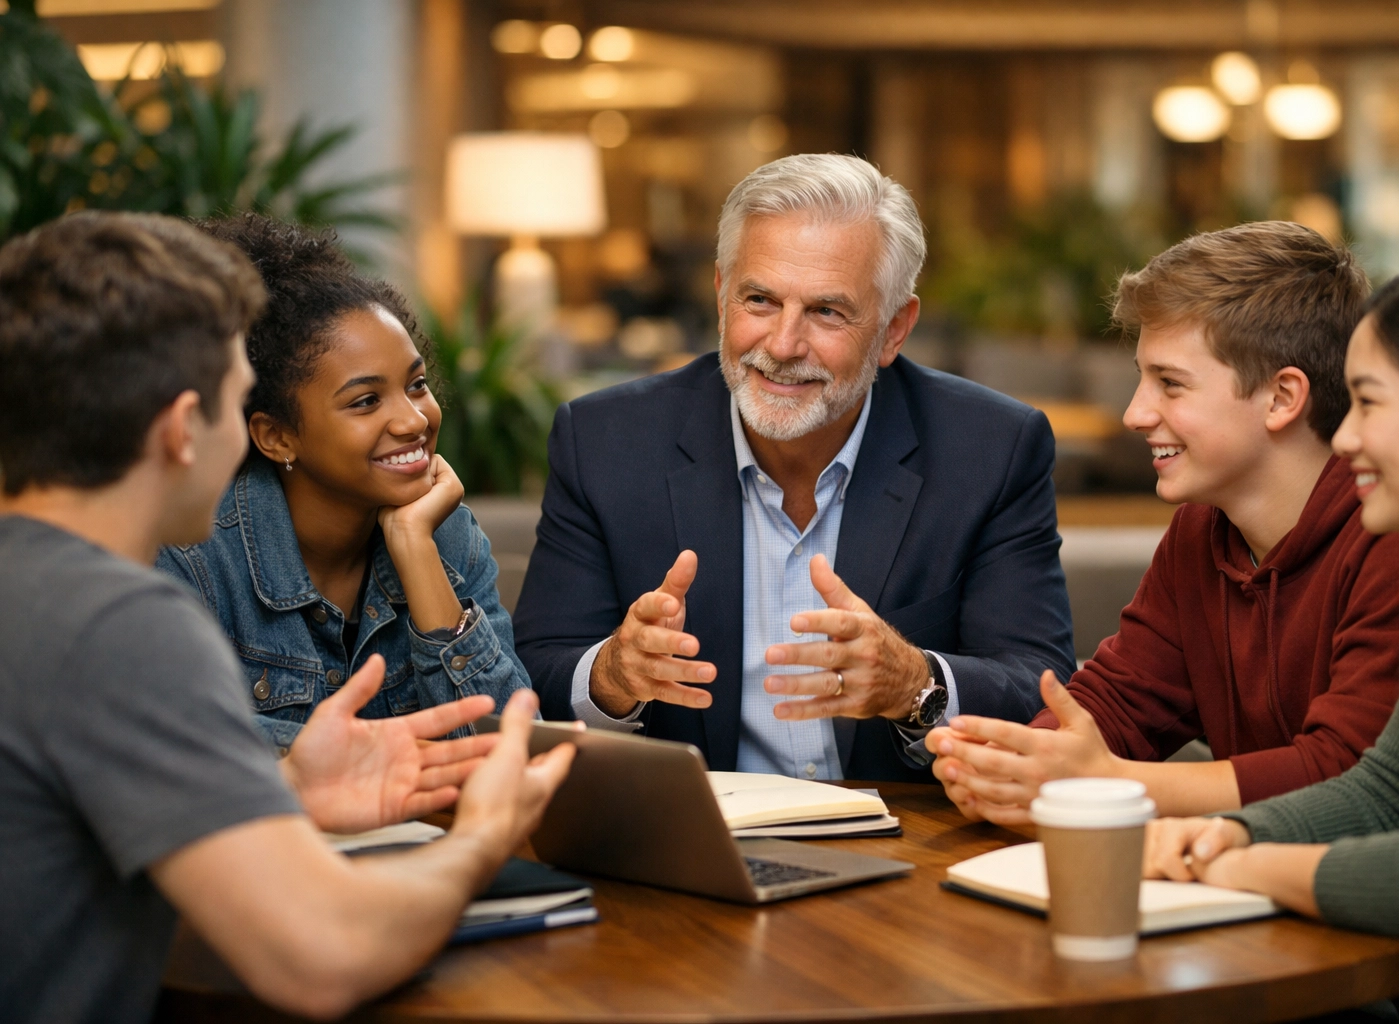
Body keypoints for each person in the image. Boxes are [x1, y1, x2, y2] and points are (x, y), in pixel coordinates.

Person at [0, 212, 573, 1024]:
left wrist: (286, 784)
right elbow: (322, 957)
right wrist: (483, 839)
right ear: (183, 430)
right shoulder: (119, 623)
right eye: (237, 404)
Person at [514, 153, 1077, 782]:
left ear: (894, 329)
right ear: (721, 296)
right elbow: (533, 674)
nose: (782, 345)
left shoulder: (991, 449)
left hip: (907, 826)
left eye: (827, 311)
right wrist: (612, 675)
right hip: (696, 825)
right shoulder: (605, 442)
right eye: (759, 300)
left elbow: (1040, 691)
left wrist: (914, 684)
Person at [1144, 255, 1399, 1022]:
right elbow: (1387, 791)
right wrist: (1224, 834)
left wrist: (1245, 867)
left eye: (1368, 403)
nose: (1345, 435)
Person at [928, 222, 1399, 821]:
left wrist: (1108, 783)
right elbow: (1121, 699)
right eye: (1141, 377)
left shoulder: (1396, 535)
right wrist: (1020, 763)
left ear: (1283, 397)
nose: (1133, 413)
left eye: (1170, 384)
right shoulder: (1202, 528)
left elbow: (1350, 774)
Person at [157, 214, 530, 752]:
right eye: (366, 401)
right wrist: (377, 757)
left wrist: (415, 548)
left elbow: (510, 744)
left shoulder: (446, 533)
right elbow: (184, 745)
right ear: (277, 437)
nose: (414, 420)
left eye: (416, 384)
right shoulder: (196, 555)